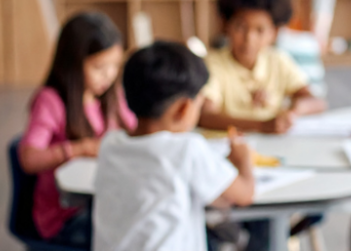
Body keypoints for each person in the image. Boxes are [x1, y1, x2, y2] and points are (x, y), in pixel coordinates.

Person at [93, 40, 255, 251]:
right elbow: (244, 194)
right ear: (184, 109)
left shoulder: (110, 144)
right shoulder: (187, 149)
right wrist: (243, 159)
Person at [18, 11, 136, 248]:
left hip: (103, 200)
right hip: (65, 215)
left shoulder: (110, 95)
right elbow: (28, 158)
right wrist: (80, 149)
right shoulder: (51, 101)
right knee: (130, 235)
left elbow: (135, 129)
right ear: (73, 62)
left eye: (115, 66)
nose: (109, 75)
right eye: (99, 67)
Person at [198, 0, 326, 134]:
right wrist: (261, 126)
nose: (249, 39)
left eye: (260, 30)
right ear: (225, 25)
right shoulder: (211, 64)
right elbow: (205, 116)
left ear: (275, 32)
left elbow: (317, 103)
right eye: (240, 27)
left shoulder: (278, 60)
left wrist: (293, 111)